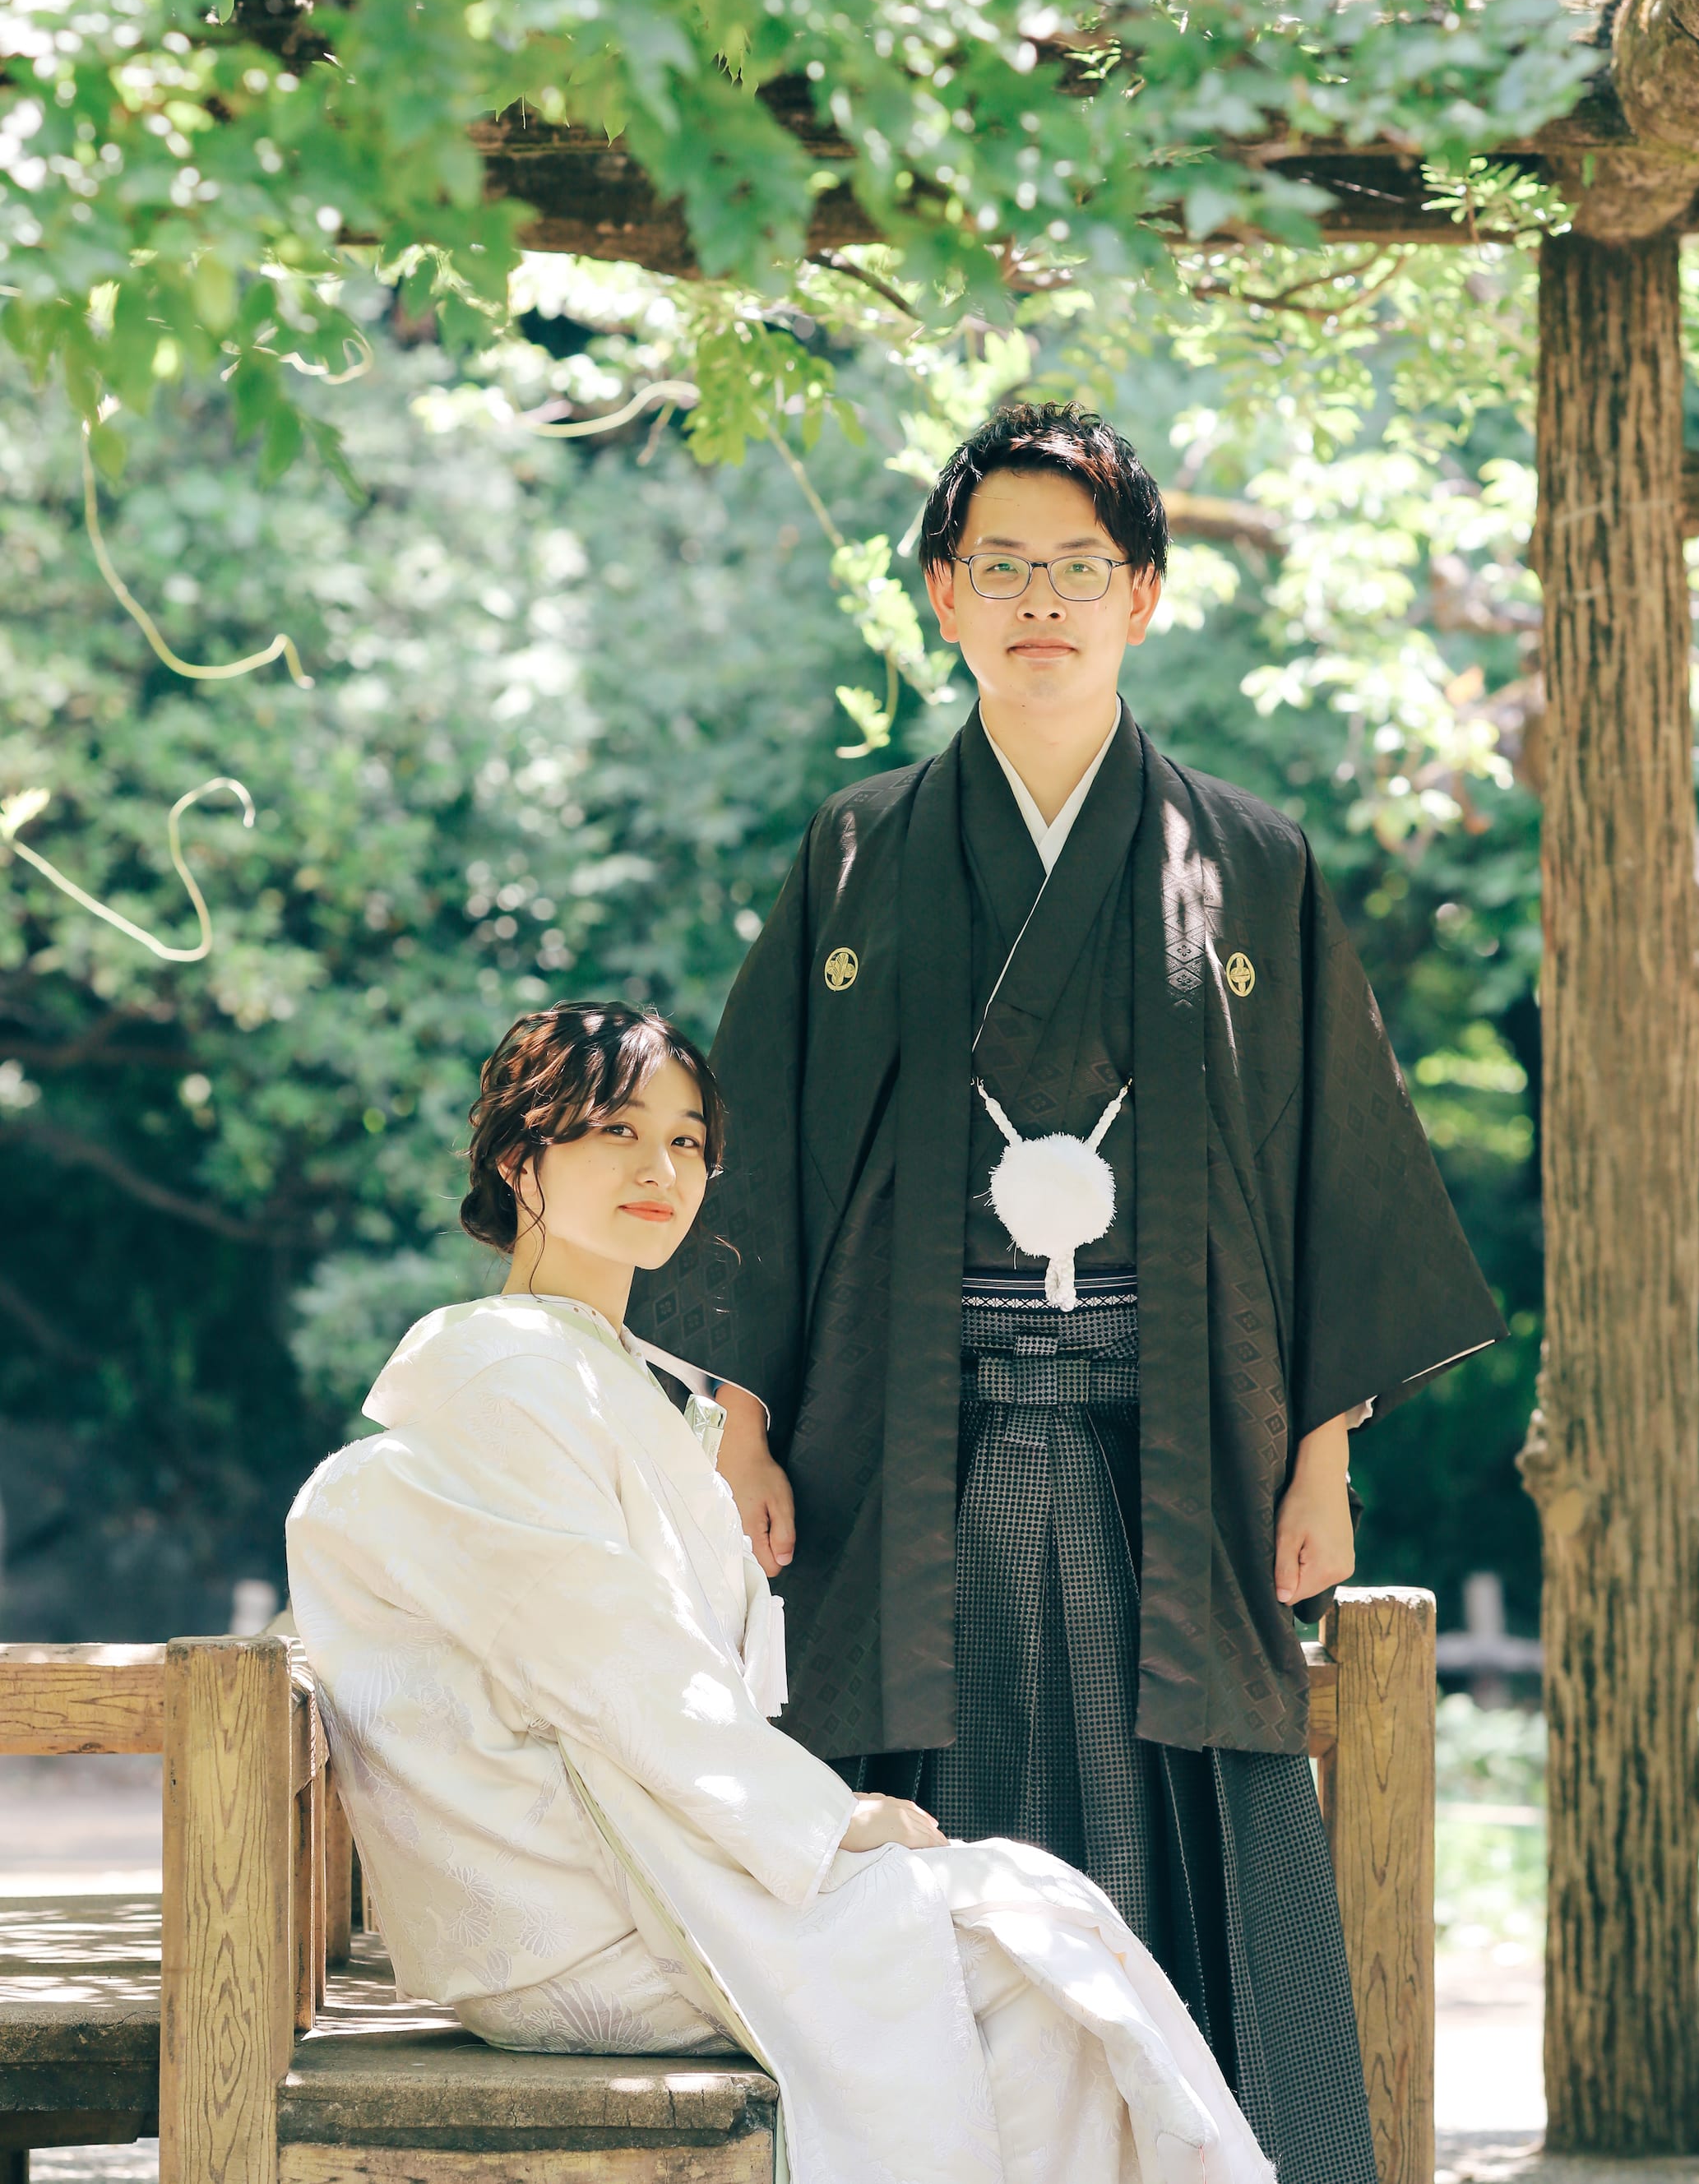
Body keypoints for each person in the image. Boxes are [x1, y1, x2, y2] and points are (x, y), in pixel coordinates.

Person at [637, 404, 1504, 2184]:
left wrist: (1322, 1452)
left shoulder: (1244, 861)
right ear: (944, 596)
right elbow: (766, 1148)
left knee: (1191, 1815)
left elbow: (1326, 1165)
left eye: (1080, 569)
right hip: (909, 1431)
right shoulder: (857, 850)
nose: (1042, 602)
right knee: (909, 1827)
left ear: (1145, 596)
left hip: (1174, 1433)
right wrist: (744, 1425)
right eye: (1004, 567)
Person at [286, 1001, 1274, 2184]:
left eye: (687, 1142)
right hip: (579, 1911)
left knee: (1044, 1915)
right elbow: (604, 1656)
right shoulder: (508, 1375)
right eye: (614, 1130)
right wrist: (826, 1820)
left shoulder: (613, 1377)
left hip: (642, 1860)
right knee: (1028, 1974)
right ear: (519, 1158)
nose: (659, 1170)